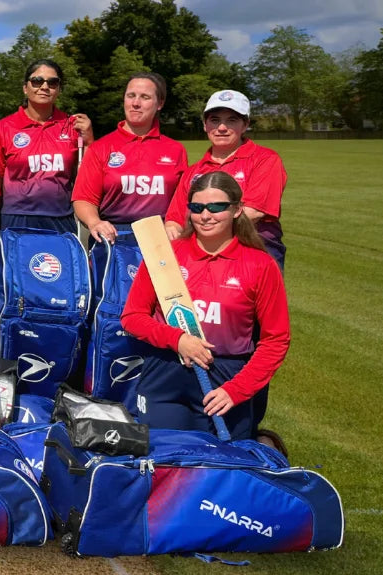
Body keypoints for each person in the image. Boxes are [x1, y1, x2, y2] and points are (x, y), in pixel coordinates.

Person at [121, 172, 289, 451]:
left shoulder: (260, 265)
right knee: (163, 464)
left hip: (225, 380)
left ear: (236, 210)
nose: (205, 215)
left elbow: (276, 340)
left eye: (217, 207)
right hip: (166, 373)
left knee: (220, 470)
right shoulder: (167, 255)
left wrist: (237, 391)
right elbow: (132, 317)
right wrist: (177, 340)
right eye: (197, 208)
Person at [163, 90, 288, 268]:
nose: (222, 127)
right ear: (205, 125)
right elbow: (175, 219)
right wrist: (172, 231)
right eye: (215, 120)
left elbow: (254, 212)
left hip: (255, 250)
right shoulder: (193, 171)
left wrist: (205, 229)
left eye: (232, 120)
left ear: (245, 125)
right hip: (203, 253)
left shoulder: (265, 159)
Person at [72, 73, 187, 244]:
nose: (135, 103)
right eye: (131, 96)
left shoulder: (175, 150)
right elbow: (84, 198)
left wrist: (174, 225)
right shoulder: (101, 147)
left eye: (145, 97)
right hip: (114, 237)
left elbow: (183, 199)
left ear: (160, 103)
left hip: (160, 238)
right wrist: (95, 222)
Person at [0, 60, 93, 233]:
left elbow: (86, 178)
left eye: (52, 82)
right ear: (25, 88)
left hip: (61, 217)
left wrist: (89, 141)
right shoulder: (4, 128)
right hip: (16, 217)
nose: (45, 87)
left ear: (58, 89)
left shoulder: (72, 126)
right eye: (37, 81)